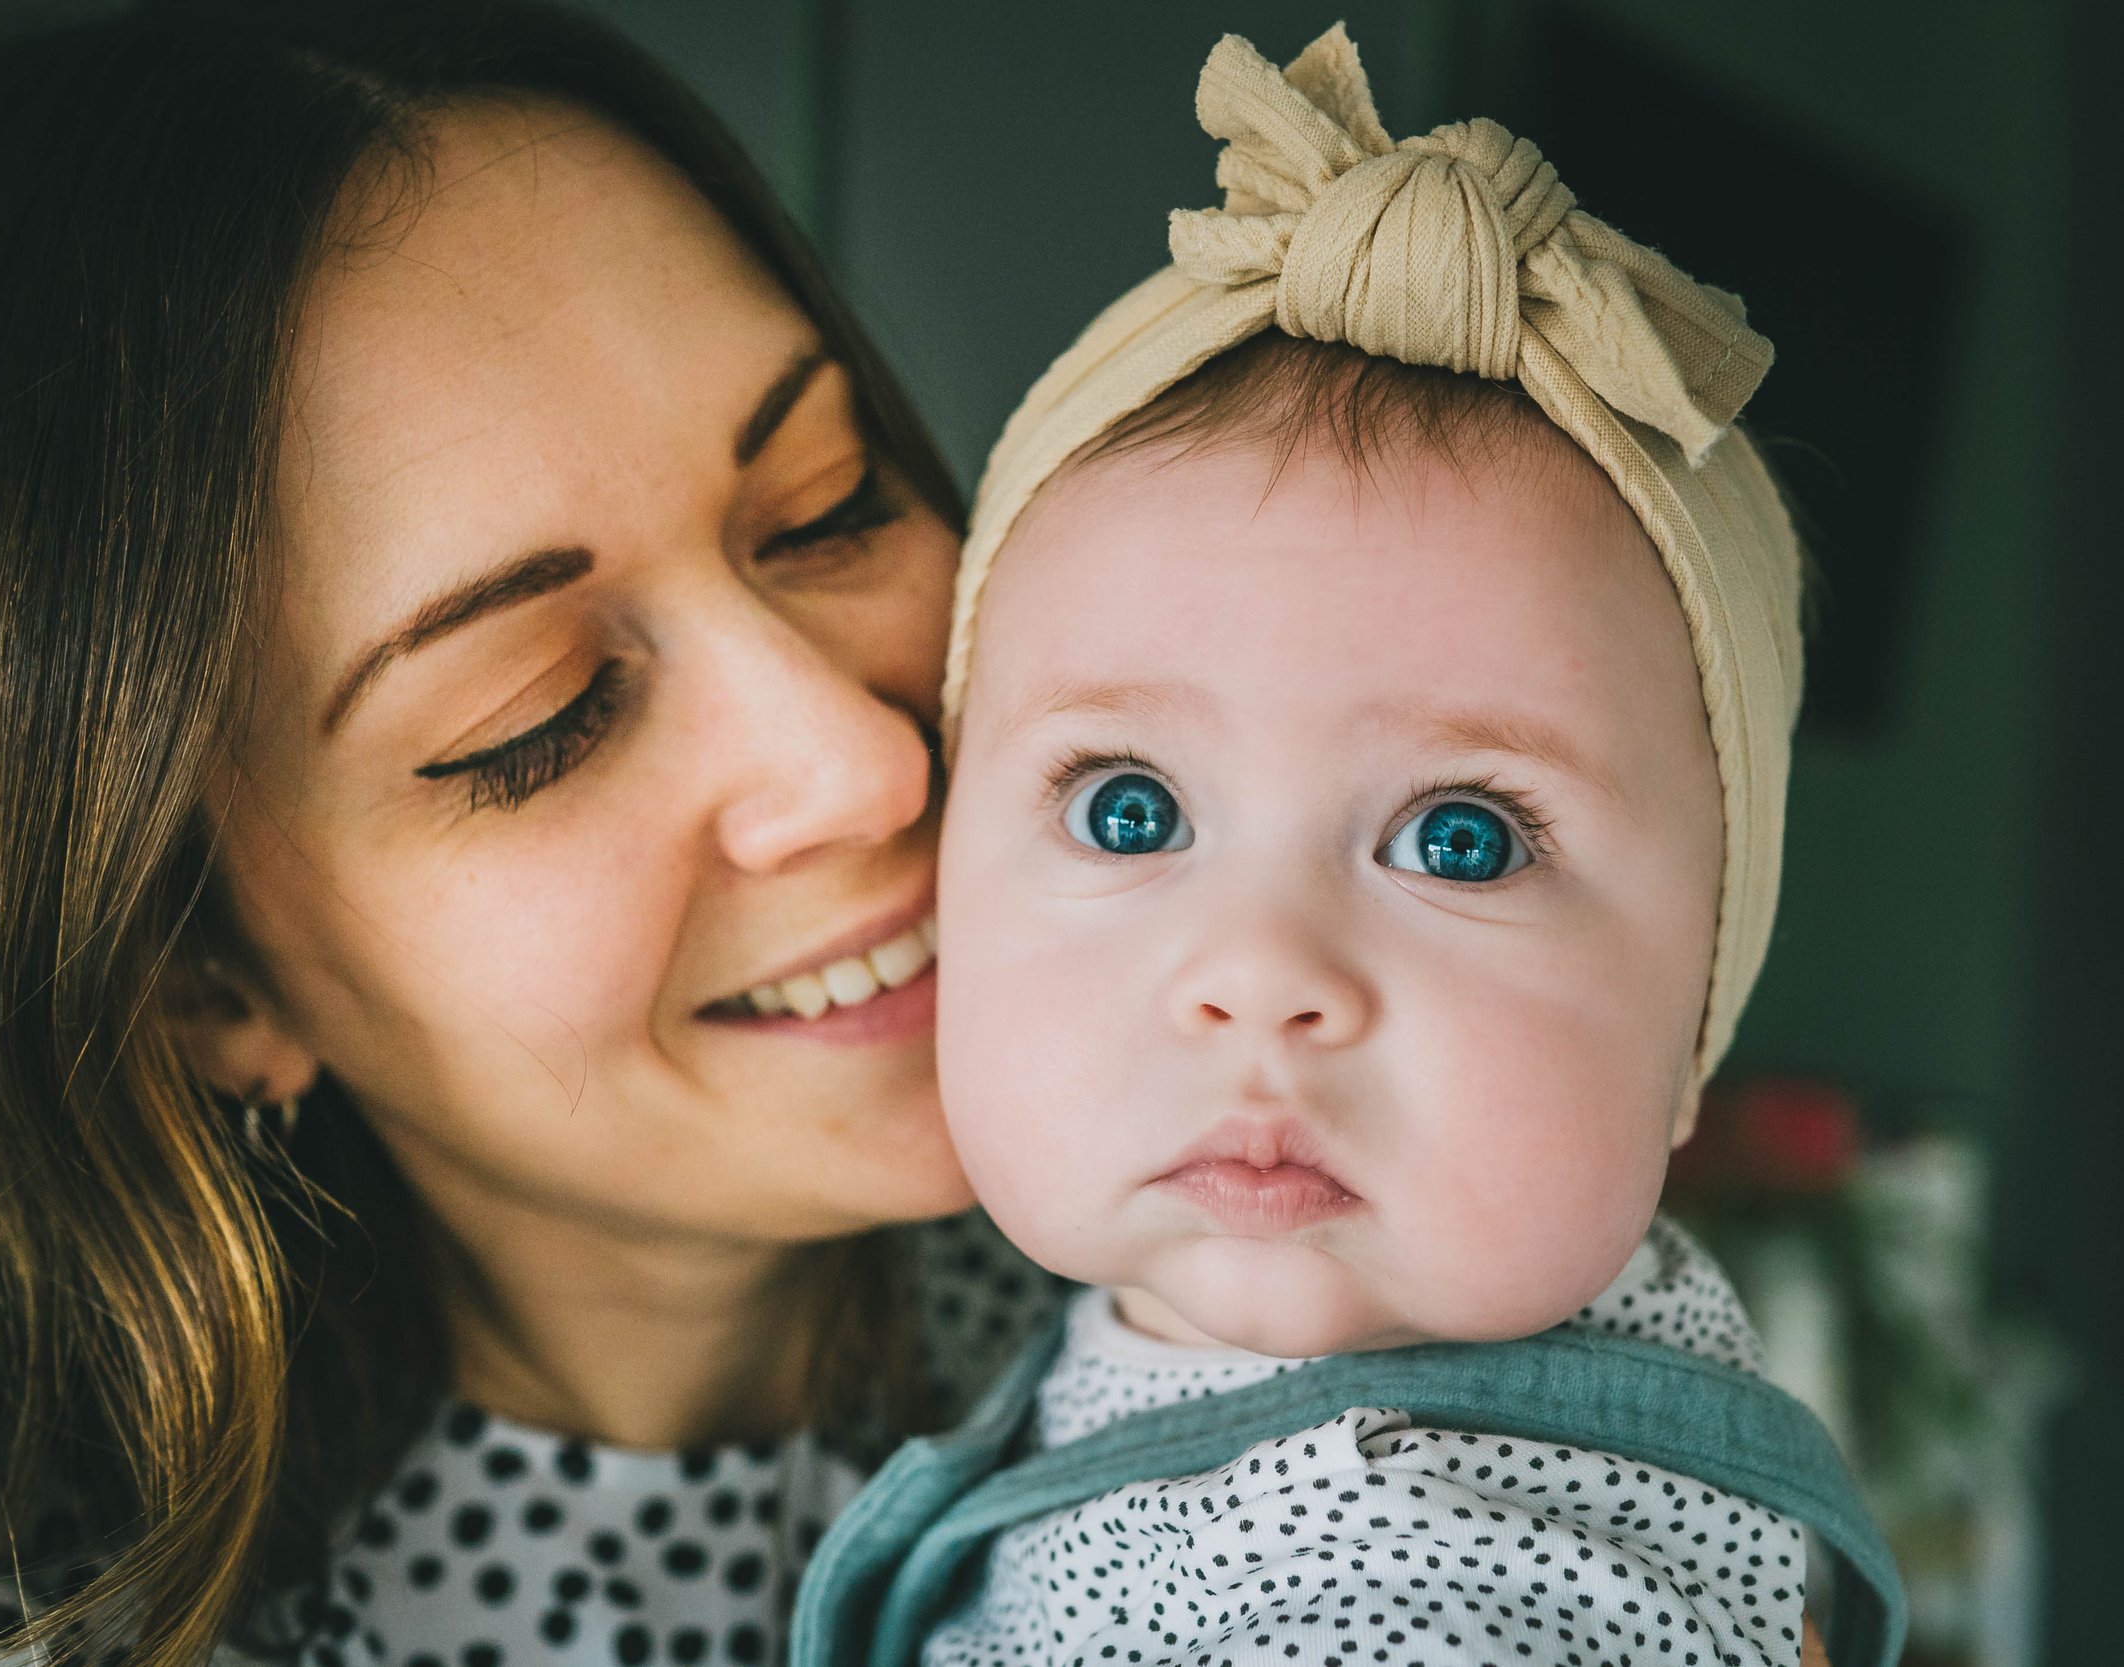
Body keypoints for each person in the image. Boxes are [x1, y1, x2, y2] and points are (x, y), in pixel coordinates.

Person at [0, 4, 1062, 1664]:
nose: (865, 763)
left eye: (829, 505)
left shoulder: (1336, 1235)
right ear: (202, 976)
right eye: (539, 721)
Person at [795, 27, 1895, 1667]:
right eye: (1130, 810)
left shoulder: (1444, 1569)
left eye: (1460, 841)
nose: (1260, 975)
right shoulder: (1087, 1307)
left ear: (1694, 1025)